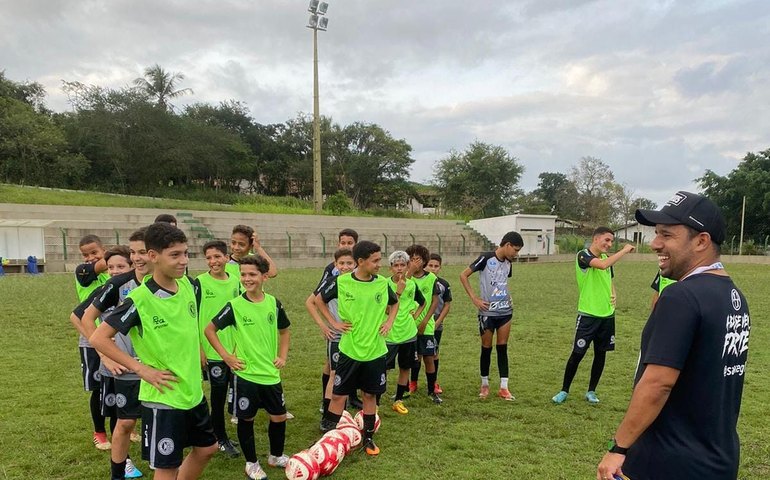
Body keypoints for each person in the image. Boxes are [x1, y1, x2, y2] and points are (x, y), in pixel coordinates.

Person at [597, 191, 751, 480]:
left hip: (668, 462)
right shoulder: (734, 296)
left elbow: (658, 383)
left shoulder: (681, 296)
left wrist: (618, 447)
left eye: (667, 235)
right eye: (656, 234)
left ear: (701, 241)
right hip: (718, 460)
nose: (656, 244)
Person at [90, 222, 218, 480]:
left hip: (192, 392)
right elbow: (99, 337)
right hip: (163, 397)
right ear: (153, 256)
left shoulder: (189, 287)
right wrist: (141, 369)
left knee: (207, 449)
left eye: (185, 253)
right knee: (166, 467)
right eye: (175, 255)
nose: (183, 261)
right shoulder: (139, 300)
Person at [205, 255, 291, 480]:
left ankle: (276, 456)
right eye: (243, 274)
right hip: (246, 376)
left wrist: (282, 356)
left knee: (279, 417)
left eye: (252, 274)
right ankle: (251, 463)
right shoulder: (235, 306)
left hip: (271, 374)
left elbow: (284, 331)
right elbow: (210, 330)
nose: (246, 278)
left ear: (264, 276)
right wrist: (226, 357)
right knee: (247, 419)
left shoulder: (274, 303)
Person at [315, 241, 398, 456]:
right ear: (361, 262)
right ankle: (331, 437)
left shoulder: (381, 283)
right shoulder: (341, 282)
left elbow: (395, 302)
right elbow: (318, 300)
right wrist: (333, 323)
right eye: (375, 260)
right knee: (338, 396)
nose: (379, 264)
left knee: (370, 396)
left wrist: (389, 322)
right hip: (349, 351)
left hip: (375, 351)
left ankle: (368, 437)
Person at [77, 237, 148, 480]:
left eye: (120, 266)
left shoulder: (152, 286)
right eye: (111, 267)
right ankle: (123, 461)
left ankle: (153, 457)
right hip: (117, 365)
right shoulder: (112, 287)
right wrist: (104, 355)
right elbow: (79, 317)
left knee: (142, 415)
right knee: (118, 417)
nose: (115, 271)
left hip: (145, 365)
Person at [552, 227, 635, 405]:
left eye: (612, 241)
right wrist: (625, 250)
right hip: (588, 314)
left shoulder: (606, 258)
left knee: (601, 354)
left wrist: (614, 293)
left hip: (607, 315)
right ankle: (564, 390)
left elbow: (609, 277)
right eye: (606, 240)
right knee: (577, 353)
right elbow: (603, 266)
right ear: (596, 239)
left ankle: (591, 391)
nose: (609, 244)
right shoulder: (583, 255)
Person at [459, 231, 523, 401]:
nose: (516, 254)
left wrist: (508, 297)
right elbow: (463, 275)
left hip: (505, 311)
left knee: (502, 348)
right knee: (486, 348)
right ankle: (485, 384)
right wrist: (475, 298)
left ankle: (504, 387)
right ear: (507, 245)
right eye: (515, 250)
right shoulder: (486, 258)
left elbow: (502, 282)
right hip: (487, 312)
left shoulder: (509, 262)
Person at [197, 240, 241, 458]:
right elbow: (191, 316)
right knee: (218, 395)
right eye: (209, 258)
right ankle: (219, 437)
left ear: (226, 257)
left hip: (232, 349)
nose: (213, 261)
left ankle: (220, 434)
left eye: (217, 257)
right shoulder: (199, 283)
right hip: (211, 350)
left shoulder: (235, 281)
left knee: (230, 392)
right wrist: (199, 349)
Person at [312, 228, 363, 410]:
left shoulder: (362, 273)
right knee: (332, 367)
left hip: (356, 332)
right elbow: (315, 299)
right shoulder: (332, 273)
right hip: (338, 331)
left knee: (351, 365)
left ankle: (351, 397)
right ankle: (327, 406)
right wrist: (326, 324)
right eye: (343, 243)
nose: (346, 245)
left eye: (350, 243)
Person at [305, 248, 356, 422]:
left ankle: (343, 410)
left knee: (353, 373)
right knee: (335, 373)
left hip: (357, 336)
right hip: (338, 335)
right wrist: (328, 324)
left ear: (356, 263)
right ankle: (327, 415)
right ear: (335, 265)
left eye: (349, 263)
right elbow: (313, 302)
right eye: (341, 263)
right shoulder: (332, 282)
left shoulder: (361, 282)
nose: (346, 267)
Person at [71, 234, 112, 449]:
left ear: (102, 249)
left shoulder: (110, 275)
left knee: (119, 383)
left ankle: (126, 426)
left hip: (114, 337)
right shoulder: (83, 272)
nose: (89, 258)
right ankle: (100, 432)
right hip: (90, 337)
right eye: (85, 254)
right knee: (98, 388)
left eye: (94, 252)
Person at [385, 251, 424, 414]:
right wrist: (399, 292)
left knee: (405, 368)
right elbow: (387, 309)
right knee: (382, 369)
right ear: (390, 268)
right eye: (396, 265)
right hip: (390, 334)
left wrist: (414, 316)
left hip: (408, 333)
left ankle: (398, 400)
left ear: (408, 267)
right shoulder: (384, 284)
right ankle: (376, 402)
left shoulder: (412, 284)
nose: (399, 269)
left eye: (403, 265)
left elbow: (422, 302)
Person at [405, 244, 442, 403]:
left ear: (424, 260)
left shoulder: (431, 278)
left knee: (428, 357)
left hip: (425, 325)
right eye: (411, 259)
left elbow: (434, 302)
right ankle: (410, 385)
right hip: (408, 325)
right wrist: (409, 273)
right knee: (412, 359)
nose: (415, 262)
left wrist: (425, 321)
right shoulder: (406, 277)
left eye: (418, 259)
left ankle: (432, 390)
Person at [425, 253, 452, 394]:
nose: (433, 269)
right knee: (416, 355)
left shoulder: (444, 284)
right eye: (430, 265)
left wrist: (438, 321)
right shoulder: (419, 281)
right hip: (419, 324)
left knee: (434, 353)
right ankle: (412, 383)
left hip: (435, 324)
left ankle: (433, 382)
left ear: (440, 268)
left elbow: (447, 305)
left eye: (436, 266)